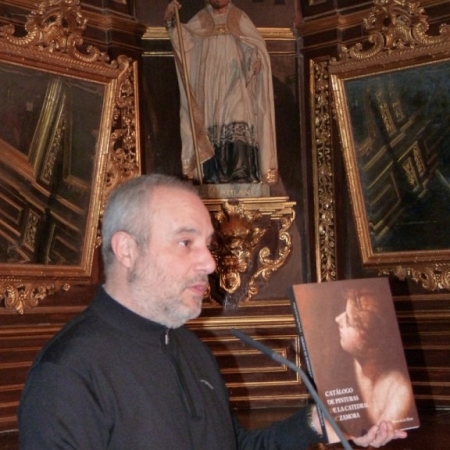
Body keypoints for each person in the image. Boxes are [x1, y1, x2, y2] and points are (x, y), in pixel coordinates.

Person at [18, 174, 407, 449]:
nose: (209, 262)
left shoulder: (191, 348)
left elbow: (235, 446)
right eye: (186, 242)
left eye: (207, 244)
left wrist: (322, 421)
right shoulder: (67, 373)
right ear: (126, 250)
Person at [164, 0, 278, 185]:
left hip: (237, 81)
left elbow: (252, 45)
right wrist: (171, 21)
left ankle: (241, 172)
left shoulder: (239, 17)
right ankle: (215, 174)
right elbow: (184, 44)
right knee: (213, 121)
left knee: (238, 115)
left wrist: (254, 60)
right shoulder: (201, 19)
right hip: (210, 84)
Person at [335, 288, 417, 427]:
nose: (337, 319)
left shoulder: (399, 391)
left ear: (369, 343)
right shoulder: (347, 362)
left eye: (348, 321)